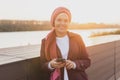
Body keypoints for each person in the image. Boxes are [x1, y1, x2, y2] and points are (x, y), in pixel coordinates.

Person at [40, 7, 91, 80]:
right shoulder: (45, 41)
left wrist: (74, 64)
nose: (62, 23)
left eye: (66, 21)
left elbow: (87, 61)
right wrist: (51, 64)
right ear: (53, 22)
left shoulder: (77, 38)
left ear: (69, 22)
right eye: (59, 20)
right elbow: (42, 65)